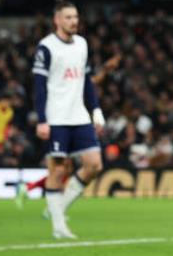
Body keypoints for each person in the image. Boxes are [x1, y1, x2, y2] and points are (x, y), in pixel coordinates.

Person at [31, 0, 105, 239]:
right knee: (58, 170)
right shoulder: (46, 47)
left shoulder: (82, 44)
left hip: (79, 116)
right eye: (69, 17)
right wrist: (42, 120)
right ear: (57, 20)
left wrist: (95, 110)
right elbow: (39, 87)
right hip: (56, 117)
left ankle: (58, 209)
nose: (74, 21)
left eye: (76, 17)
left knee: (94, 164)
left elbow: (87, 82)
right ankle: (58, 226)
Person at [16, 53, 122, 209]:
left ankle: (37, 195)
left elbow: (90, 83)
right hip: (58, 126)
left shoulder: (75, 84)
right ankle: (43, 201)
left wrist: (105, 70)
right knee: (60, 169)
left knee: (66, 169)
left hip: (71, 126)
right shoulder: (57, 84)